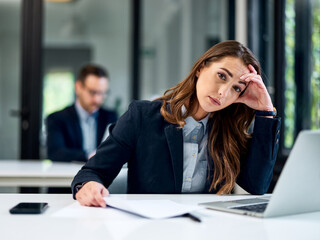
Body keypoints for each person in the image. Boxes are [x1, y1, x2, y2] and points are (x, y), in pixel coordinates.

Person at [71, 40, 281, 207]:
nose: (223, 92)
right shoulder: (142, 116)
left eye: (237, 88)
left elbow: (257, 185)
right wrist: (90, 185)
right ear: (200, 68)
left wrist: (265, 111)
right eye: (221, 76)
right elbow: (92, 172)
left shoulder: (229, 132)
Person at [46, 64, 118, 163]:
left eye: (102, 93)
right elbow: (55, 153)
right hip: (67, 175)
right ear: (78, 87)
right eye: (92, 92)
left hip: (101, 176)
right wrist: (89, 156)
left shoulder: (110, 117)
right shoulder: (57, 118)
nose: (97, 99)